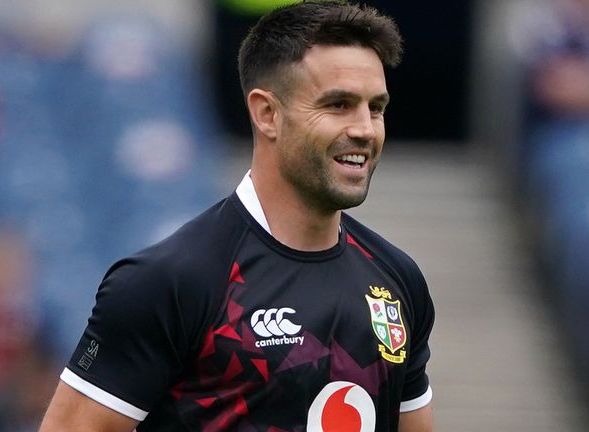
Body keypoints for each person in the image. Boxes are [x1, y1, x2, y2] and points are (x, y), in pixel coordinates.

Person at [39, 2, 435, 431]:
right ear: (267, 114)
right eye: (338, 105)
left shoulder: (397, 280)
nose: (365, 129)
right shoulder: (172, 281)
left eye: (375, 108)